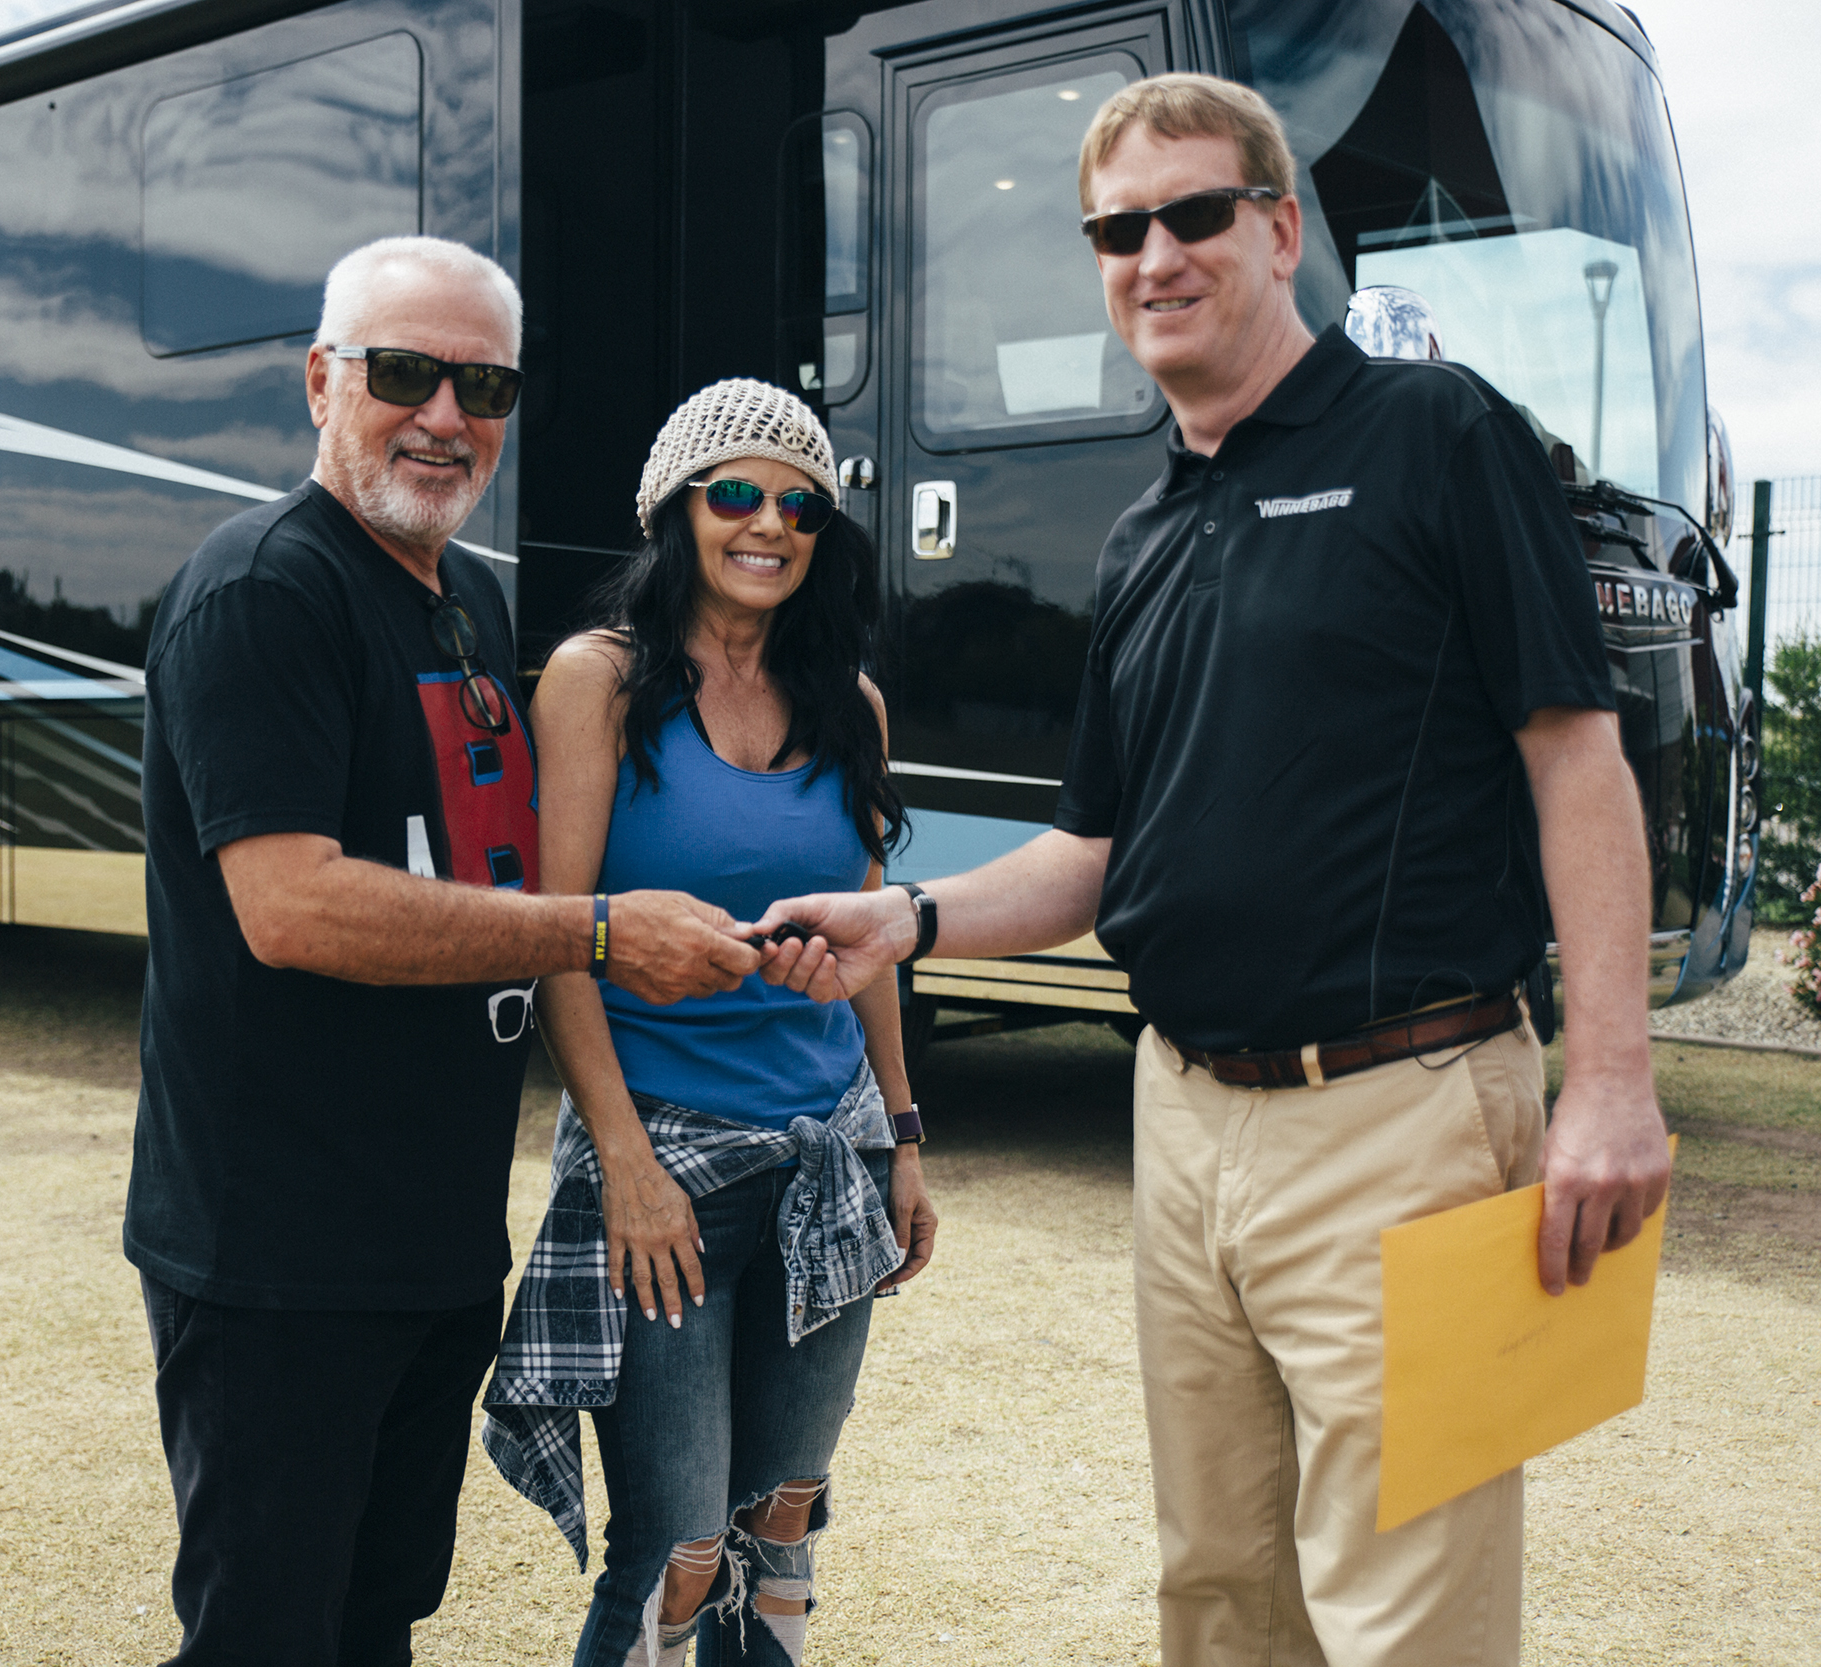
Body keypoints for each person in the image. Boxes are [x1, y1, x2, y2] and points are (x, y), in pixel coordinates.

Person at [752, 75, 1671, 1667]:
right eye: (1118, 229)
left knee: (1406, 1622)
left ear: (1281, 227)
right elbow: (1098, 857)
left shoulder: (1438, 437)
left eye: (1193, 215)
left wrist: (1612, 1083)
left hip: (1406, 1114)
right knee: (1220, 1603)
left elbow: (1573, 756)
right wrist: (903, 918)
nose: (1153, 256)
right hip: (1183, 1129)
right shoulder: (1146, 536)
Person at [126, 236, 764, 1667]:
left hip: (428, 1234)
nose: (445, 416)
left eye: (484, 386)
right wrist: (597, 932)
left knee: (379, 1615)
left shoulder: (465, 596)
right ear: (319, 382)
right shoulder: (262, 595)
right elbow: (290, 905)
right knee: (265, 1631)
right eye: (404, 373)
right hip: (275, 1247)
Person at [481, 379, 940, 1667]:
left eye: (800, 504)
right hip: (667, 1165)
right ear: (674, 511)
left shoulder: (851, 704)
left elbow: (874, 946)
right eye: (735, 493)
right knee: (674, 1548)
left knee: (780, 1527)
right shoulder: (599, 683)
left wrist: (902, 1133)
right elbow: (564, 940)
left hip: (828, 1159)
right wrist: (620, 1163)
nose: (769, 524)